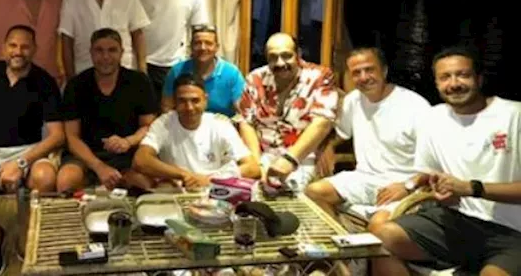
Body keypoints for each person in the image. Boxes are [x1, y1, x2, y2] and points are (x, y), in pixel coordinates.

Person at [372, 47, 521, 276]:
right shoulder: (433, 118)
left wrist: (472, 188)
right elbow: (429, 174)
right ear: (437, 83)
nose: (454, 84)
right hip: (456, 223)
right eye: (445, 77)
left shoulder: (514, 115)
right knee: (380, 239)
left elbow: (468, 187)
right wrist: (434, 189)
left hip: (512, 232)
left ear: (479, 78)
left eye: (463, 75)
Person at [0, 24, 65, 276]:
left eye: (25, 46)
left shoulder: (44, 81)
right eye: (13, 45)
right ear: (3, 47)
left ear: (34, 49)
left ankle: (27, 234)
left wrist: (21, 163)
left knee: (45, 177)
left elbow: (57, 136)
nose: (18, 51)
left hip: (28, 150)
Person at [304, 47, 430, 231]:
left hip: (404, 184)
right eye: (356, 73)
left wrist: (407, 186)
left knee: (378, 226)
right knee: (314, 192)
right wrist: (327, 146)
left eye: (369, 70)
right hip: (365, 179)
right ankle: (342, 243)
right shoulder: (353, 101)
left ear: (384, 71)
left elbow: (437, 162)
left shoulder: (415, 106)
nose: (363, 77)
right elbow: (340, 133)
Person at [56, 28, 158, 192]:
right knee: (66, 180)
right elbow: (72, 137)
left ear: (121, 52)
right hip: (85, 155)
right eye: (99, 50)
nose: (105, 57)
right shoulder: (76, 85)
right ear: (91, 53)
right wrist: (99, 166)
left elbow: (148, 126)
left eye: (112, 50)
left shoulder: (139, 82)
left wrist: (128, 141)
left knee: (142, 184)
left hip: (127, 154)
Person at [235, 32, 339, 192]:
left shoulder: (319, 77)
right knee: (239, 191)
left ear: (298, 54)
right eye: (273, 57)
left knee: (288, 193)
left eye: (286, 56)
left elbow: (323, 122)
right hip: (263, 154)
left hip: (302, 156)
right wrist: (256, 163)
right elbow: (246, 121)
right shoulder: (255, 78)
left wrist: (290, 159)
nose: (280, 63)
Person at [133, 73, 260, 187]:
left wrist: (210, 179)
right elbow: (140, 160)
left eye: (195, 101)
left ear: (205, 100)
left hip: (214, 191)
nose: (189, 107)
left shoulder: (220, 124)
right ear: (174, 102)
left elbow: (253, 168)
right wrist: (183, 175)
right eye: (182, 101)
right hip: (177, 190)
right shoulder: (163, 123)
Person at [134, 0, 209, 96]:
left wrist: (196, 63)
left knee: (174, 107)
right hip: (144, 62)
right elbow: (134, 25)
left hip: (177, 63)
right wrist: (140, 66)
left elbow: (199, 29)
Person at [161, 25, 245, 118]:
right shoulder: (177, 71)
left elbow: (241, 110)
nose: (203, 48)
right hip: (186, 122)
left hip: (222, 123)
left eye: (208, 43)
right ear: (191, 47)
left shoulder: (232, 73)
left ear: (217, 47)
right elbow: (166, 107)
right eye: (197, 43)